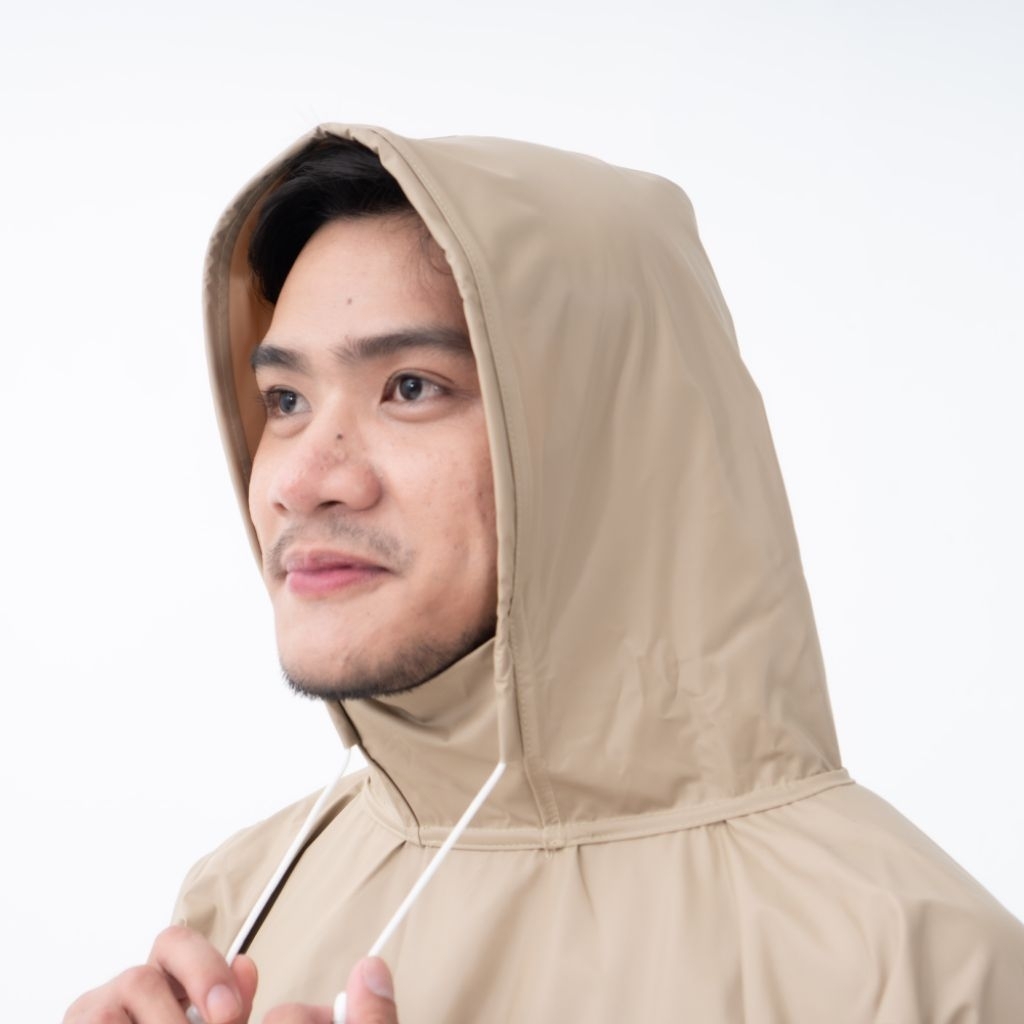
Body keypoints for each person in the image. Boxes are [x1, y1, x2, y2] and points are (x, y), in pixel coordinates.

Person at [64, 126, 1024, 1024]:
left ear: (603, 437)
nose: (300, 481)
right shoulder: (242, 906)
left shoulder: (916, 970)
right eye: (284, 399)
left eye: (409, 387)